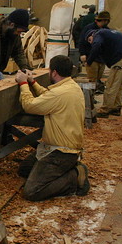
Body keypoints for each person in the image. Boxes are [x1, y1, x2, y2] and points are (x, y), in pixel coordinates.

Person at [15, 55, 89, 201]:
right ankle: (65, 170)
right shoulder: (70, 86)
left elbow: (29, 105)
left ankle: (74, 177)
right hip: (59, 147)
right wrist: (32, 82)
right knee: (24, 169)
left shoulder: (60, 93)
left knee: (31, 192)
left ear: (54, 72)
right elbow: (49, 97)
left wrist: (23, 83)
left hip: (61, 152)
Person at [86, 29, 122, 118]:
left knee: (111, 85)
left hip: (121, 57)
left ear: (92, 35)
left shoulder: (98, 34)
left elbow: (96, 45)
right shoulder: (108, 33)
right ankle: (116, 107)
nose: (91, 43)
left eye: (90, 40)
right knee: (120, 84)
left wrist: (89, 61)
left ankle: (105, 110)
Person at [78, 11, 111, 92]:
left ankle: (93, 96)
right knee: (92, 80)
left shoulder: (106, 30)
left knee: (98, 80)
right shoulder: (88, 28)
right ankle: (89, 98)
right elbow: (81, 41)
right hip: (91, 57)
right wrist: (82, 54)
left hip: (101, 58)